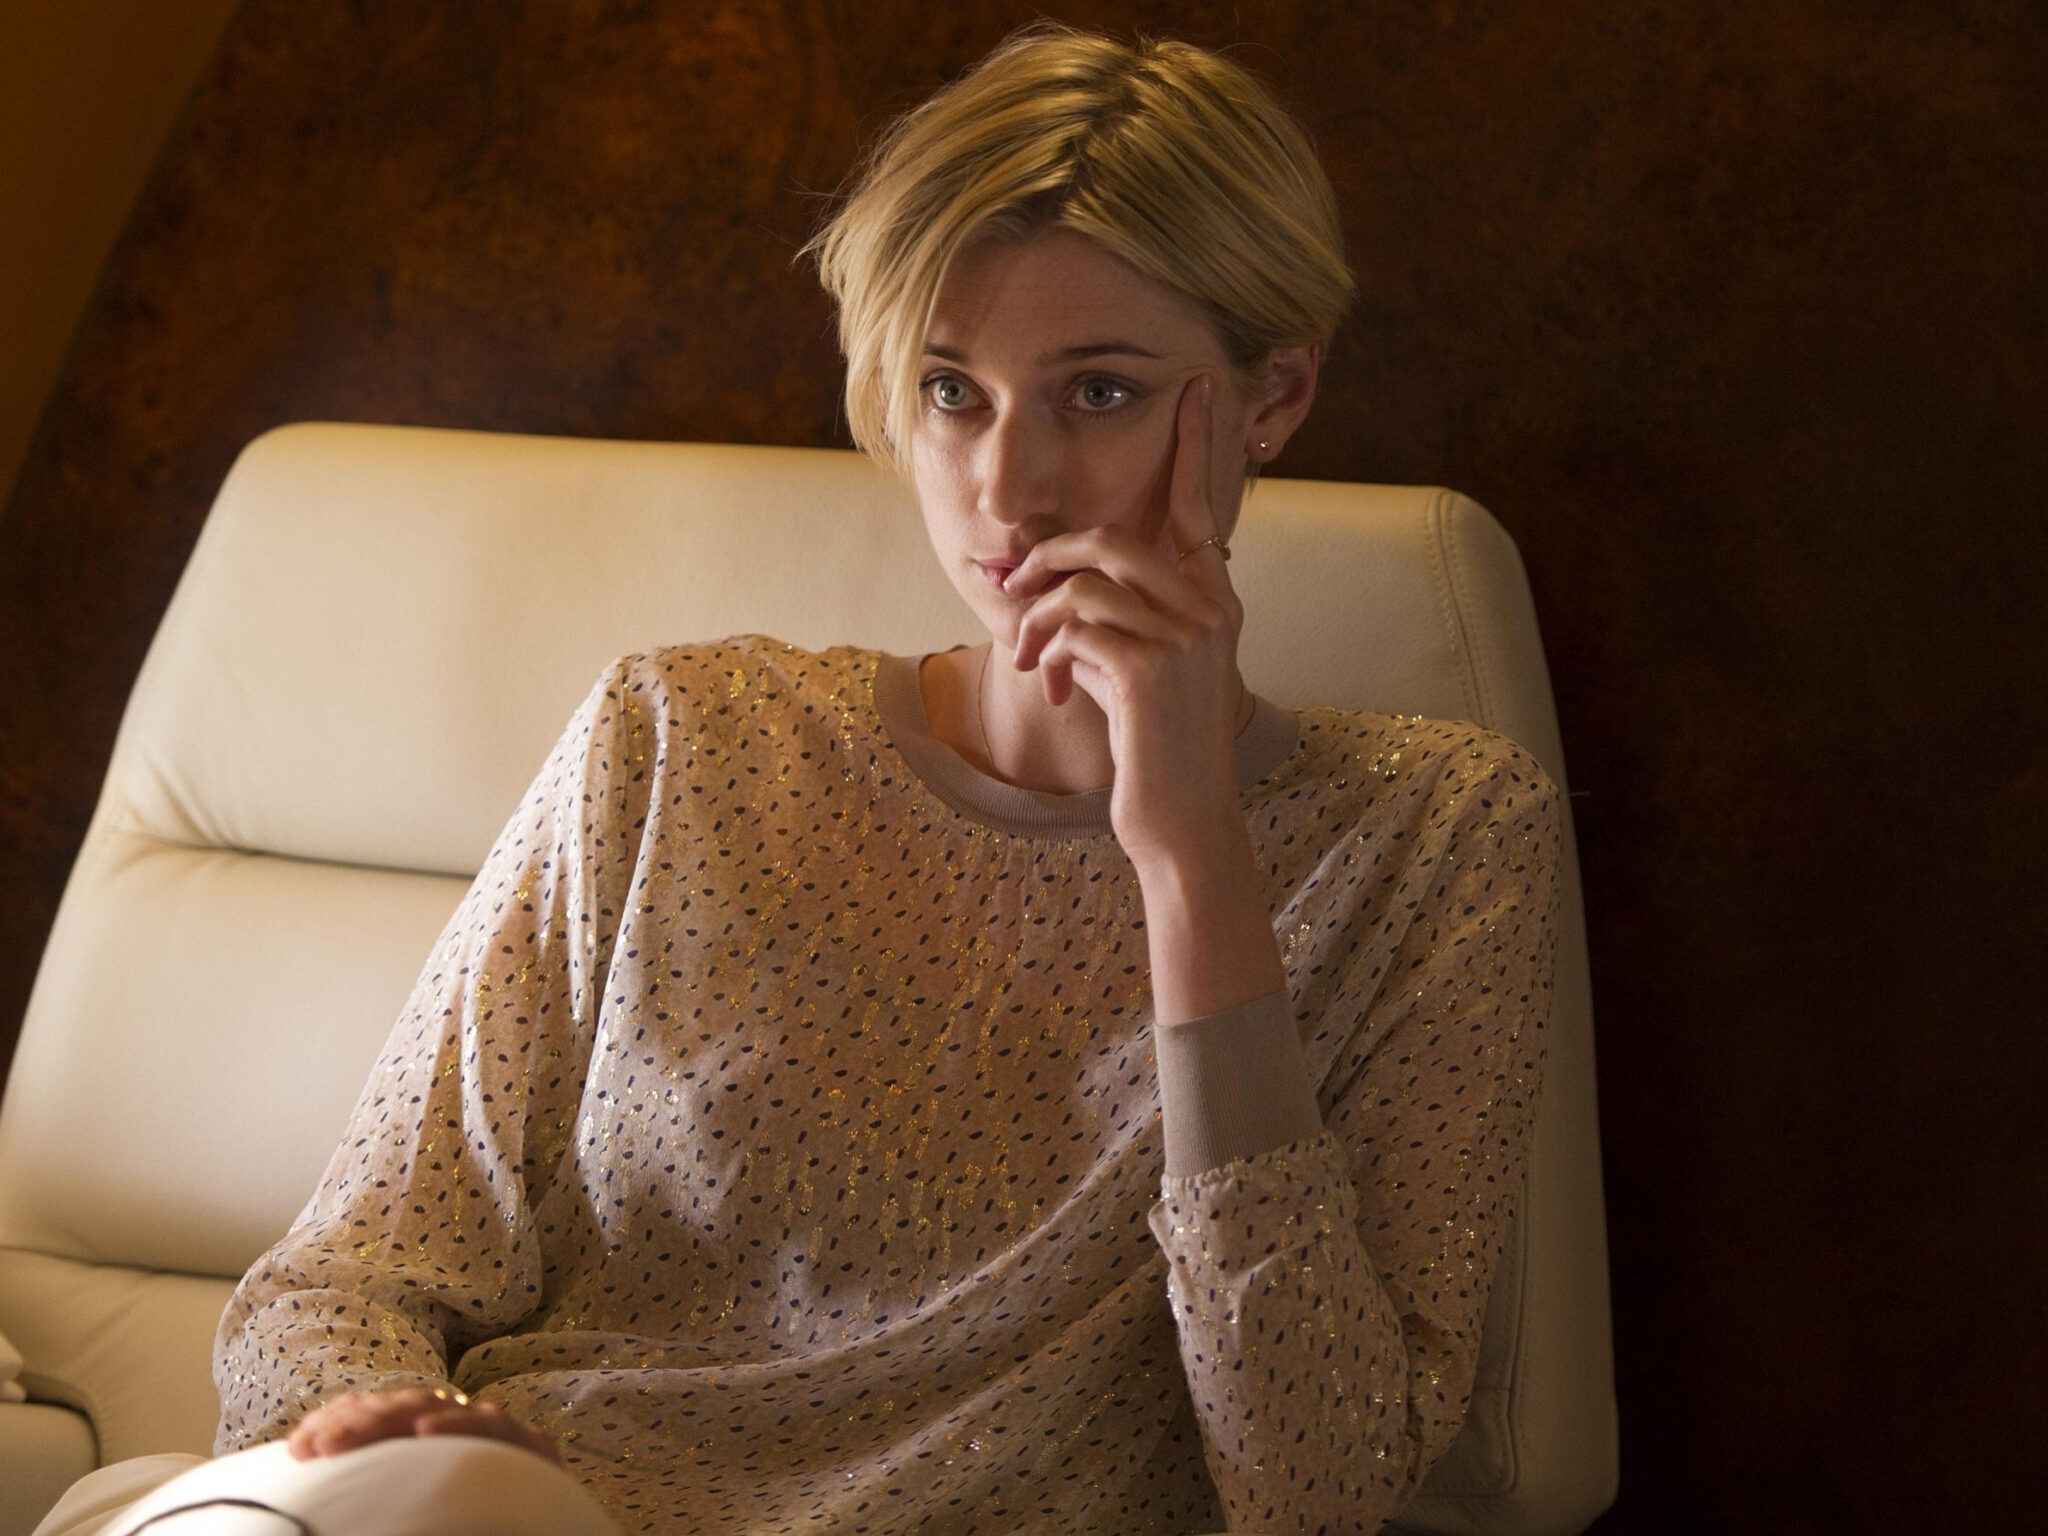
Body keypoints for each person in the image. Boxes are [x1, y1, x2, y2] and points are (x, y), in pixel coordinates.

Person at [35, 23, 1560, 1536]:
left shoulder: (1439, 837)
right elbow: (340, 1282)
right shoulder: (684, 737)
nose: (1009, 490)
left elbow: (1315, 1486)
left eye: (1097, 393)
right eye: (953, 390)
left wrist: (1190, 857)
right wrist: (366, 1436)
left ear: (1272, 397)